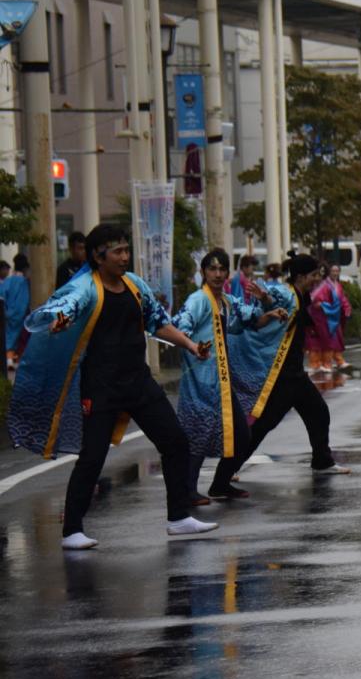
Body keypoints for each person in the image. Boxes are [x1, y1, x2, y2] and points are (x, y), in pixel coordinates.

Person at [8, 223, 218, 550]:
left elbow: (157, 322)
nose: (124, 257)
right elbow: (62, 309)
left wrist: (190, 346)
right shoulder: (86, 289)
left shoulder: (134, 286)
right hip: (101, 386)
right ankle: (72, 531)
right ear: (97, 255)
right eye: (117, 251)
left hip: (138, 381)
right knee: (92, 456)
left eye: (126, 250)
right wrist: (59, 320)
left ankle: (178, 517)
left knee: (175, 441)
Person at [216, 251, 351, 494]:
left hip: (294, 373)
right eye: (312, 276)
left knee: (318, 412)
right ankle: (226, 474)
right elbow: (274, 302)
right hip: (281, 374)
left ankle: (322, 461)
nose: (315, 280)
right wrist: (266, 297)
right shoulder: (288, 292)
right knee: (262, 426)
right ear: (300, 276)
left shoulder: (301, 294)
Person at [172, 248, 286, 504]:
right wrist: (192, 346)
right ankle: (187, 491)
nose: (217, 274)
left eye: (222, 269)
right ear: (203, 272)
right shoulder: (197, 301)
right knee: (197, 434)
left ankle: (221, 483)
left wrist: (269, 311)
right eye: (212, 269)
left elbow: (249, 320)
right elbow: (181, 328)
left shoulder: (226, 301)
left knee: (242, 434)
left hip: (220, 381)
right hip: (200, 380)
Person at [311, 264, 353, 370]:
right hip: (325, 317)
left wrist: (347, 308)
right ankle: (326, 363)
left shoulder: (337, 285)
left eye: (337, 271)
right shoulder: (325, 285)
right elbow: (316, 299)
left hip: (334, 316)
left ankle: (338, 361)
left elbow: (342, 298)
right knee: (327, 341)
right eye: (333, 271)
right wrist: (323, 306)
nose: (335, 273)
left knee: (336, 340)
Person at [3, 254, 31, 369]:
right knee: (21, 339)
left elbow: (2, 295)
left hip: (7, 314)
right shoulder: (24, 282)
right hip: (21, 315)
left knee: (9, 337)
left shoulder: (8, 280)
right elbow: (25, 300)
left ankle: (9, 359)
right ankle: (17, 360)